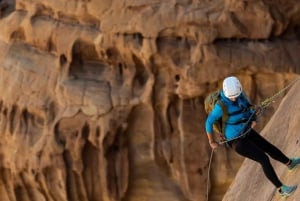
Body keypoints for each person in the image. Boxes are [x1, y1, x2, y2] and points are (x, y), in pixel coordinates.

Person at [205, 76, 300, 197]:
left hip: (246, 130)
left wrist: (253, 117)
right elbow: (208, 122)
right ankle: (282, 189)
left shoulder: (239, 94)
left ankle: (290, 163)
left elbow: (248, 107)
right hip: (237, 142)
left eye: (235, 95)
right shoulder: (221, 106)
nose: (234, 98)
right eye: (232, 97)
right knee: (263, 159)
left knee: (268, 147)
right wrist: (211, 141)